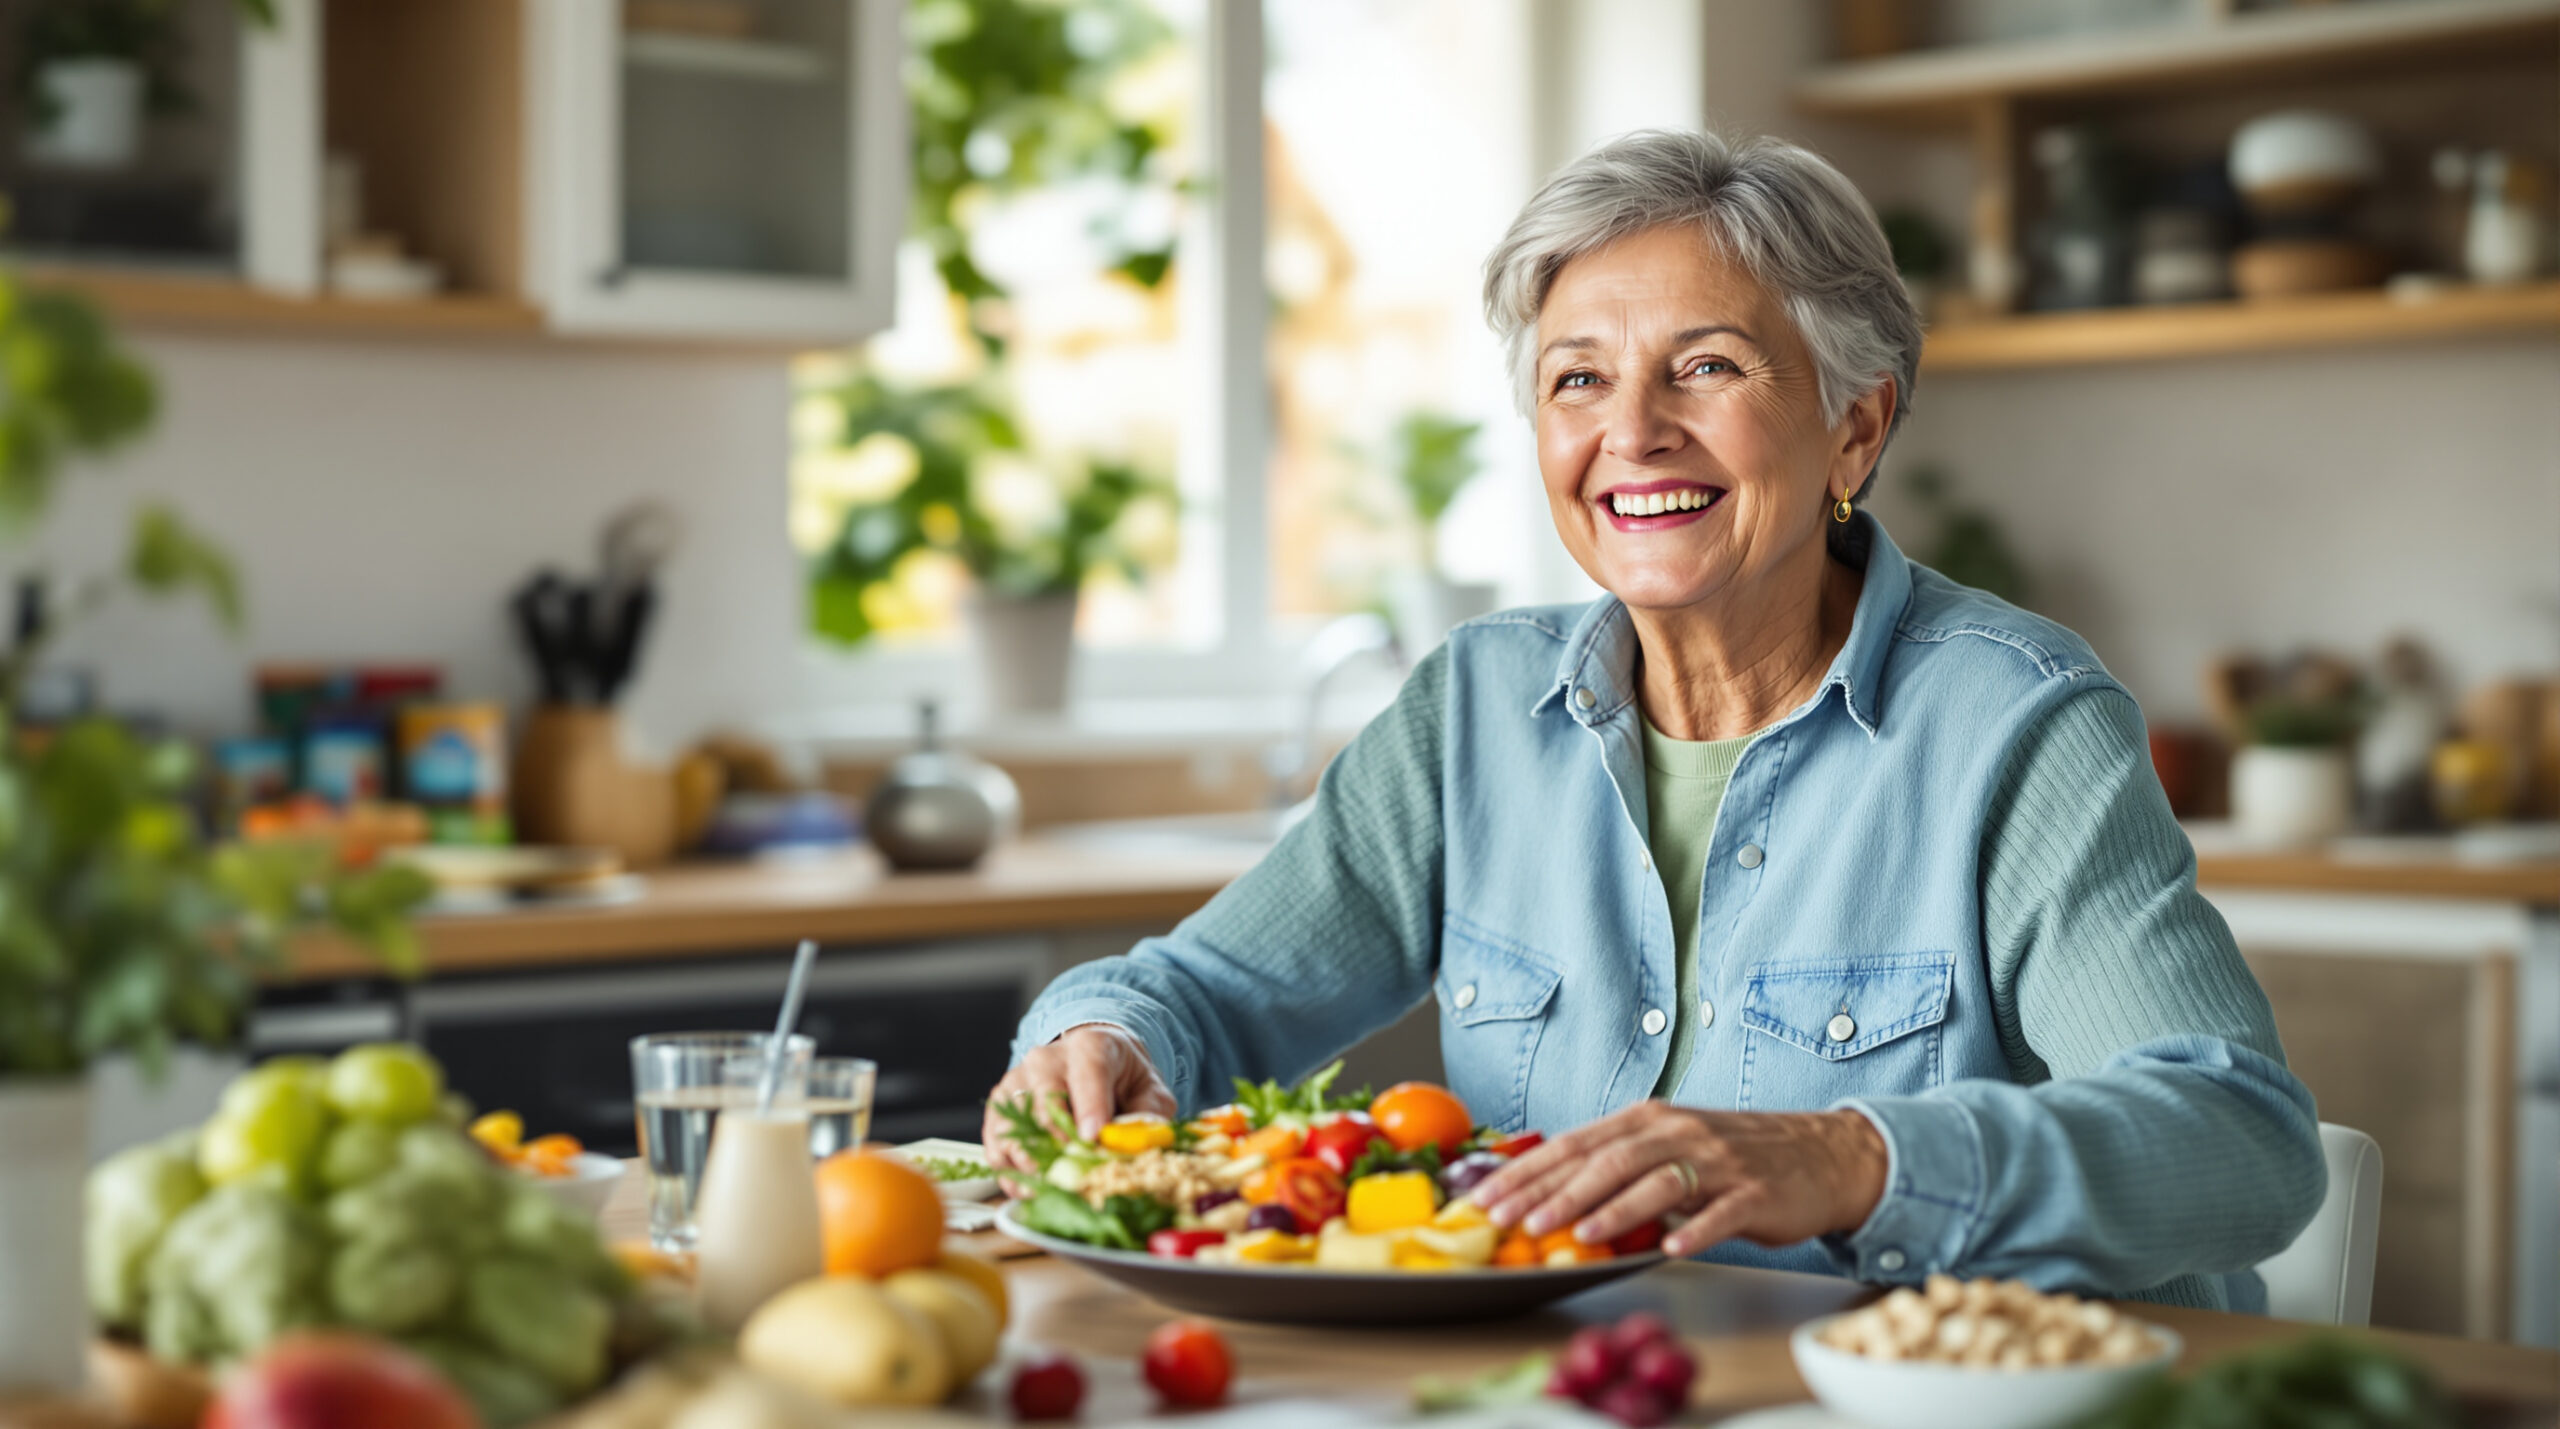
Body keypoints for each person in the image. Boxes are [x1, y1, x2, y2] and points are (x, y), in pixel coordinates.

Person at [984, 129, 2323, 1309]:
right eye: (1577, 380)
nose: (1631, 431)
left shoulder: (2014, 722)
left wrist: (1855, 1157)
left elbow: (2238, 1138)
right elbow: (1205, 995)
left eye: (1708, 367)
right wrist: (1101, 1041)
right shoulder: (1477, 712)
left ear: (1855, 431)